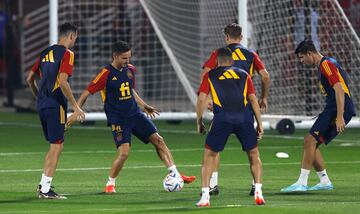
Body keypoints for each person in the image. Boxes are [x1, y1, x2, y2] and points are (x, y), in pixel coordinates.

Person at [71, 41, 196, 193]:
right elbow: (86, 93)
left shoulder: (130, 70)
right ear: (115, 56)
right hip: (118, 119)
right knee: (124, 153)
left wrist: (144, 105)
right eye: (124, 58)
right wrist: (77, 109)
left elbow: (130, 90)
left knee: (158, 140)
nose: (127, 61)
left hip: (135, 114)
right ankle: (110, 184)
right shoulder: (105, 74)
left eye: (129, 57)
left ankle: (175, 174)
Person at [201, 23, 270, 196]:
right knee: (252, 149)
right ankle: (256, 186)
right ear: (242, 37)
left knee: (213, 148)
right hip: (244, 107)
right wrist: (264, 97)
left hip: (223, 106)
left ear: (226, 37)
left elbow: (206, 74)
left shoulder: (219, 53)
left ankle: (213, 185)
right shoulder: (251, 54)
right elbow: (265, 76)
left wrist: (208, 97)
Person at [281, 39, 356, 192]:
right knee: (311, 143)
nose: (302, 62)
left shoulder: (326, 64)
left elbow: (339, 89)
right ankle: (324, 181)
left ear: (310, 53)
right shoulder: (325, 64)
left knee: (310, 140)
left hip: (336, 110)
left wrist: (340, 116)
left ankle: (302, 183)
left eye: (302, 58)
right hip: (333, 109)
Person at [26, 22, 85, 199]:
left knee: (54, 146)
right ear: (72, 36)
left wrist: (39, 97)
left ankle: (43, 186)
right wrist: (76, 106)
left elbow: (30, 79)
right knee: (57, 146)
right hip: (56, 105)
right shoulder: (68, 54)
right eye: (76, 38)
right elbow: (63, 81)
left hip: (42, 104)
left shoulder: (45, 52)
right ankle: (45, 190)